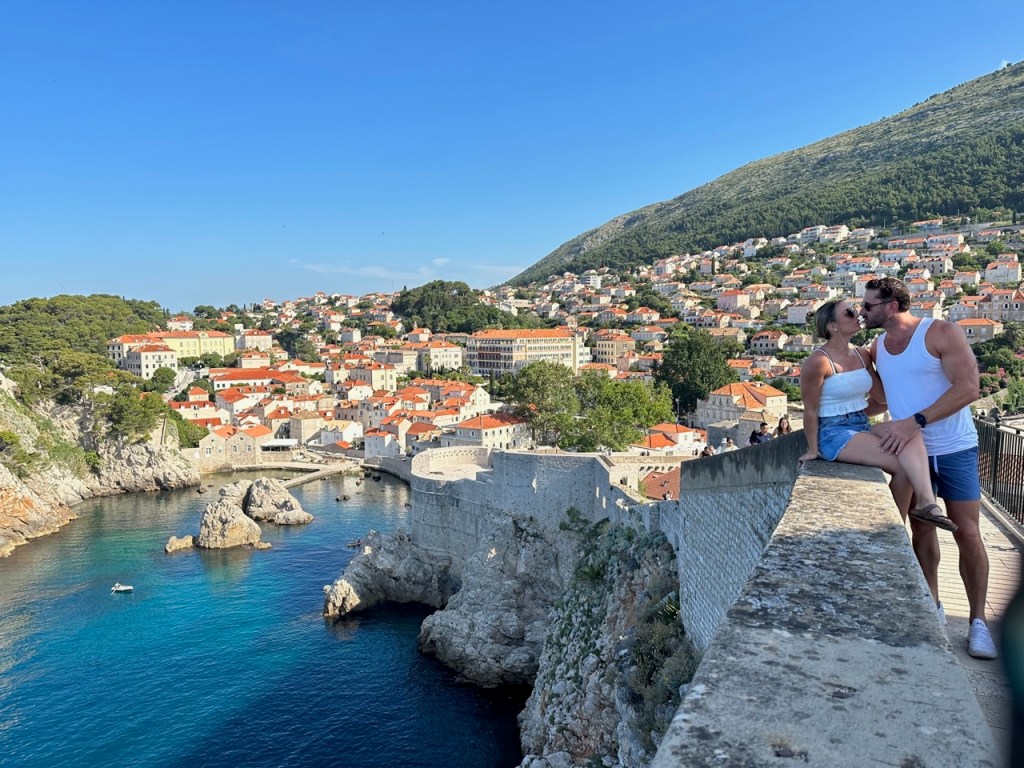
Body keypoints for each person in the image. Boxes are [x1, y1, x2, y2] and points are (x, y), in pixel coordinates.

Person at [862, 276, 996, 660]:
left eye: (869, 305)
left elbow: (969, 387)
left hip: (954, 447)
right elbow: (883, 398)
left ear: (891, 306)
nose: (863, 311)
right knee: (921, 527)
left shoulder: (939, 333)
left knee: (967, 532)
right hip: (910, 453)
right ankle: (932, 606)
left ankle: (978, 622)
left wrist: (915, 421)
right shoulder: (879, 347)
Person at [798, 298, 953, 529]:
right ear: (833, 326)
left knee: (909, 431)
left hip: (861, 425)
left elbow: (881, 399)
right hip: (834, 433)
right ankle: (894, 529)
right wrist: (812, 450)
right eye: (849, 313)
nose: (857, 314)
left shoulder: (862, 355)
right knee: (903, 467)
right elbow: (810, 410)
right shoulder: (818, 362)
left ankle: (926, 503)